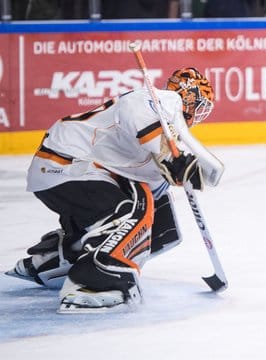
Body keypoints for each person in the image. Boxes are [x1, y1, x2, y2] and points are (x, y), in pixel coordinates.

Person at [5, 67, 221, 312]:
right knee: (128, 214)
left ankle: (61, 258)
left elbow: (148, 190)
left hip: (79, 170)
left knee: (159, 229)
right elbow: (135, 113)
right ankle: (93, 283)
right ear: (189, 96)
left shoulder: (165, 130)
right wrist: (170, 157)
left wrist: (182, 172)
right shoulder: (157, 100)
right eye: (200, 104)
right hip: (66, 162)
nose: (200, 114)